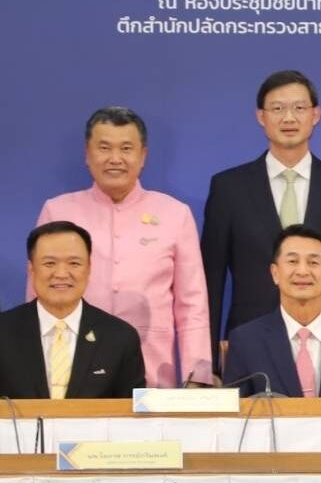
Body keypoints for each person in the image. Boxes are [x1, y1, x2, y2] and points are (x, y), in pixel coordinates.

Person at [35, 106, 210, 388]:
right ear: (87, 154)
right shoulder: (57, 211)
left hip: (152, 369)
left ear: (143, 156)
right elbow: (38, 297)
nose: (115, 158)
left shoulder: (175, 214)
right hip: (68, 367)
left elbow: (192, 303)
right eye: (104, 148)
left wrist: (197, 377)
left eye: (126, 148)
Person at [202, 70, 321, 350]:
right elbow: (211, 281)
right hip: (250, 340)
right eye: (278, 109)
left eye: (299, 108)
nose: (289, 118)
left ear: (315, 115)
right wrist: (207, 356)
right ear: (261, 117)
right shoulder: (228, 188)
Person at [0, 221, 145, 399]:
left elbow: (133, 411)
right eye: (49, 263)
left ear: (89, 268)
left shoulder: (120, 337)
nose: (61, 274)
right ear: (31, 269)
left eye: (74, 263)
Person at [221, 225, 321, 397]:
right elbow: (234, 411)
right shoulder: (246, 341)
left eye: (313, 262)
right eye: (292, 261)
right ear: (275, 273)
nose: (302, 271)